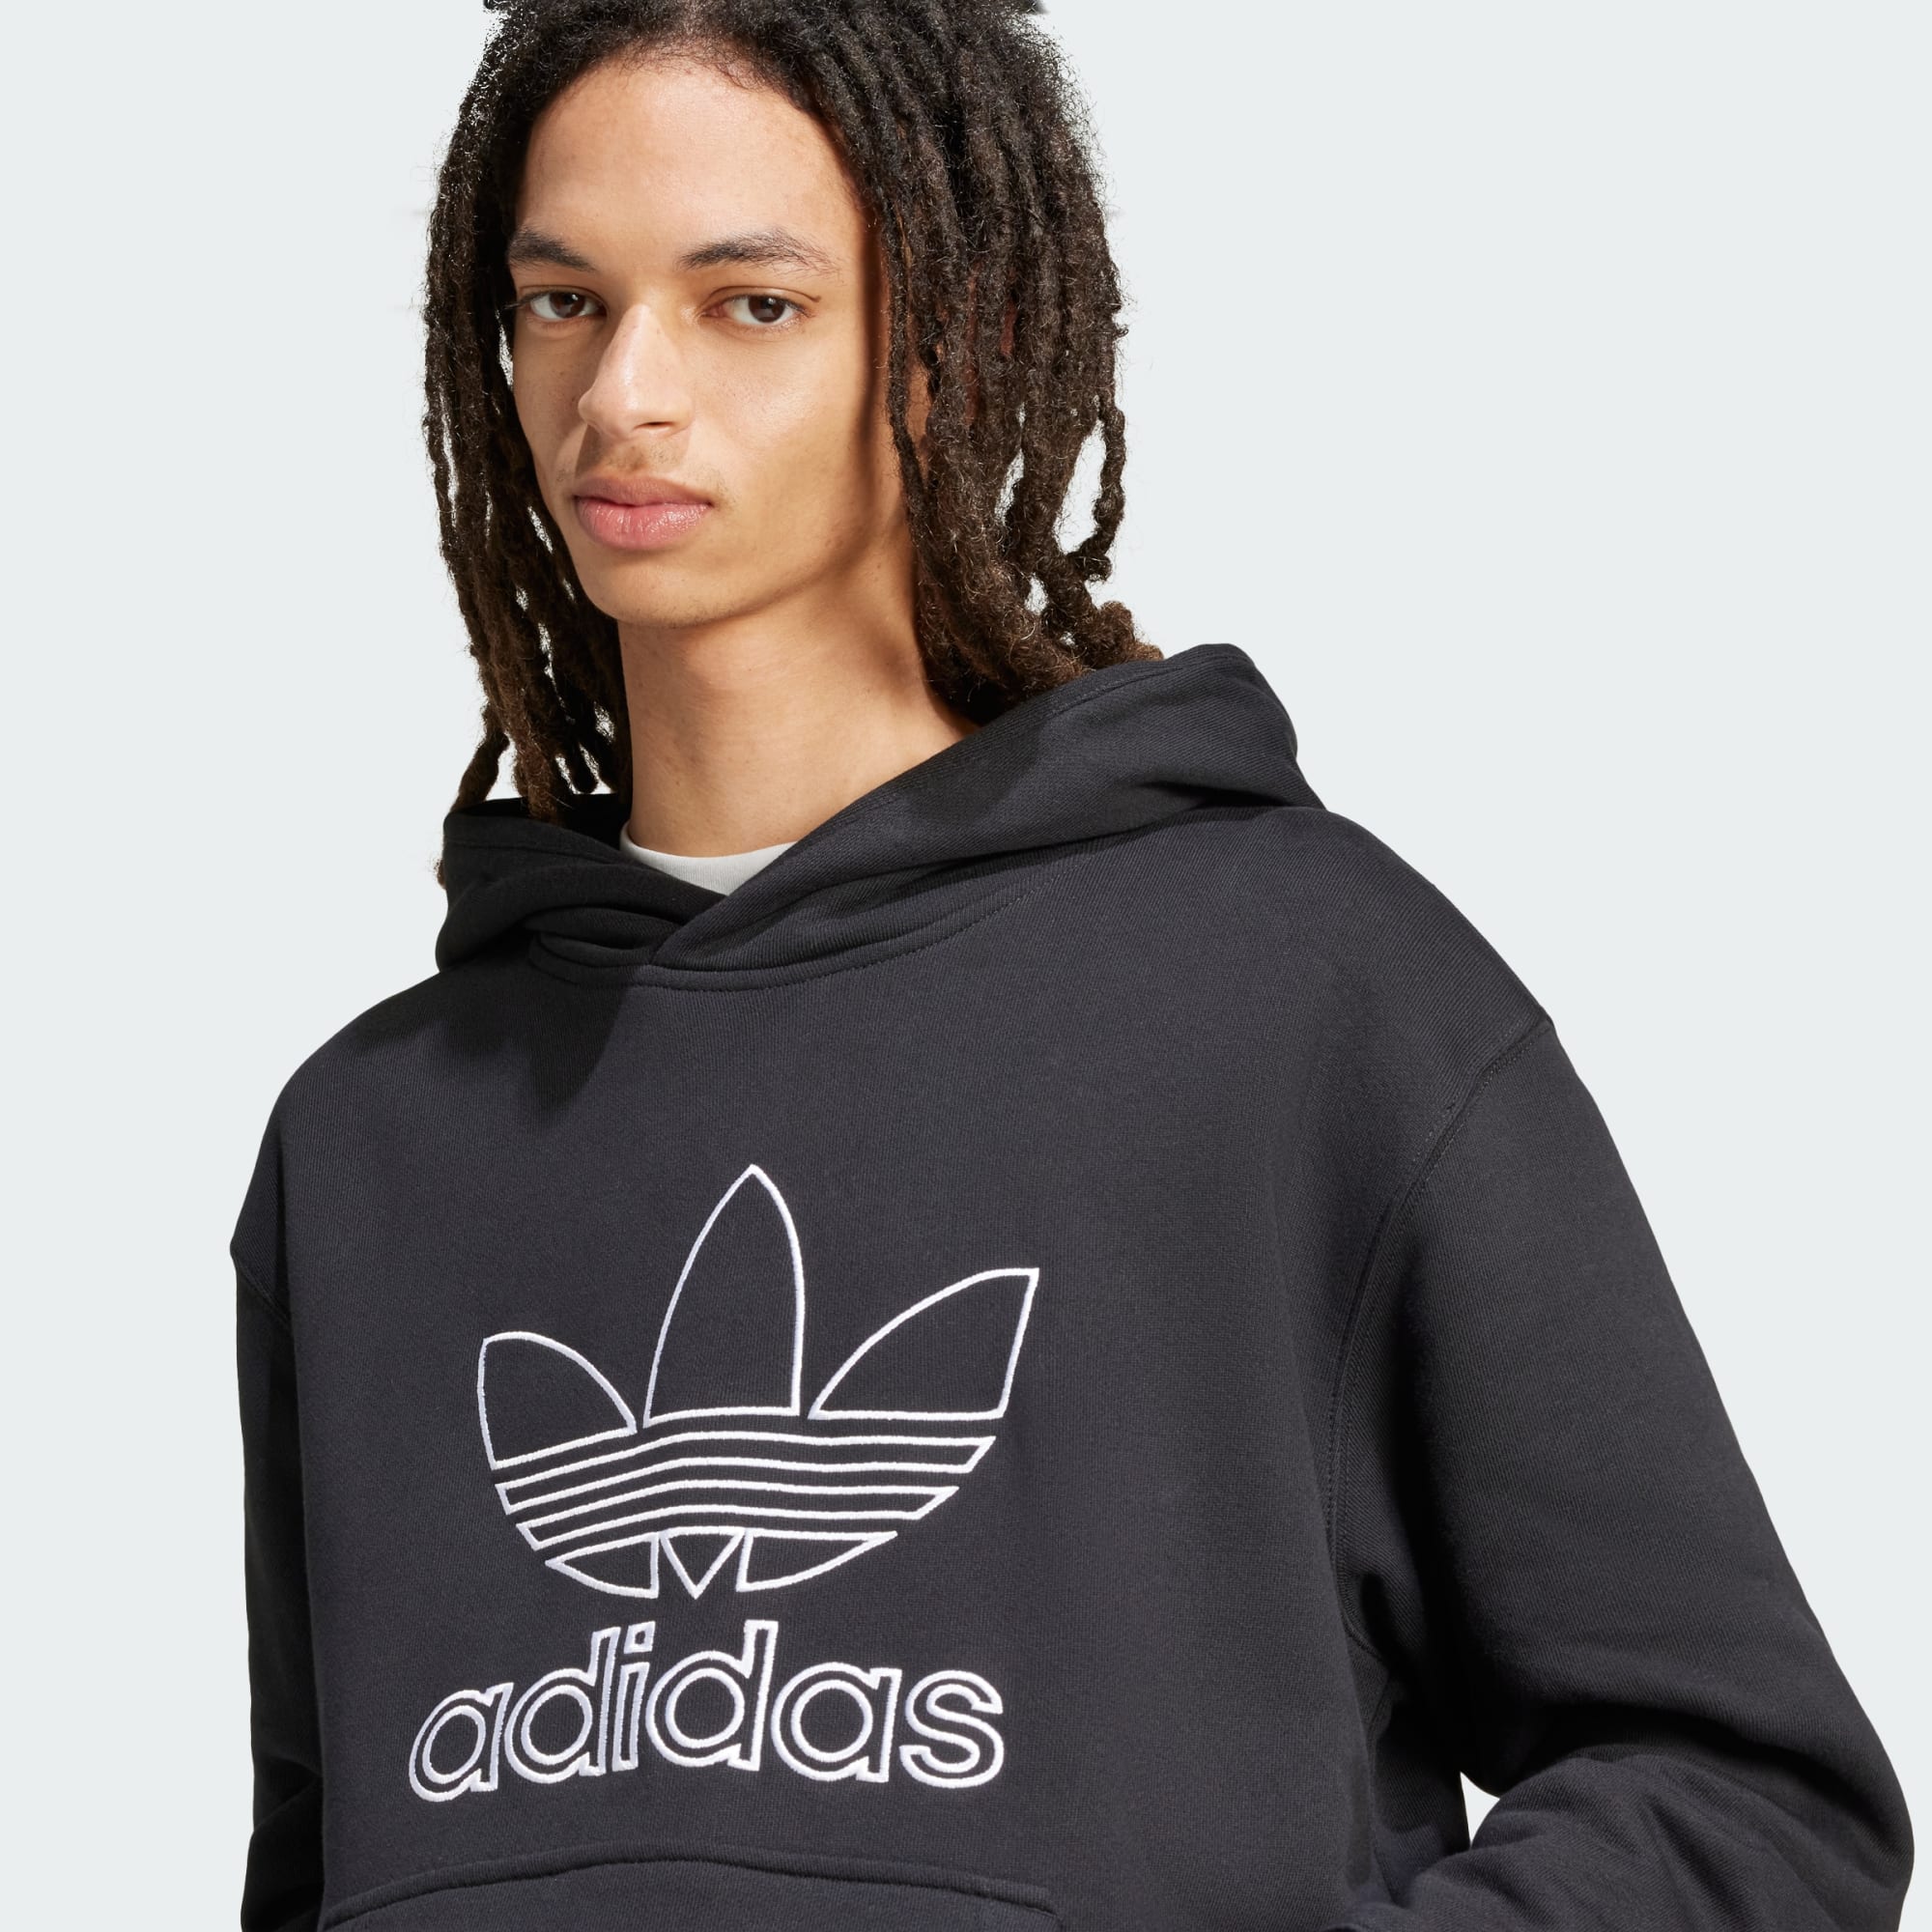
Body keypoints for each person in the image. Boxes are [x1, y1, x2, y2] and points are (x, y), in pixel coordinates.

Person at [231, 2, 1913, 1928]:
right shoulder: (368, 1140)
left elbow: (1748, 1804)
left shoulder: (1302, 997)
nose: (627, 392)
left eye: (749, 303)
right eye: (564, 302)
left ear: (957, 343)